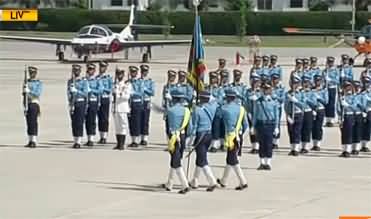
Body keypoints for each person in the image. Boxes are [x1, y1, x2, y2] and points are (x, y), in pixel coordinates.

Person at [217, 89, 248, 191]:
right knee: (230, 159)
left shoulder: (224, 108)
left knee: (233, 160)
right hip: (238, 136)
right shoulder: (241, 109)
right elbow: (246, 125)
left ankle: (243, 181)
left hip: (230, 136)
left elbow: (218, 117)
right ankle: (223, 180)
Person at [163, 90, 192, 194]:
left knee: (176, 161)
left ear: (173, 99)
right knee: (175, 159)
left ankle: (185, 185)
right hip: (183, 136)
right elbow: (190, 127)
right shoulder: (186, 110)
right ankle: (169, 183)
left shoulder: (170, 110)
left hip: (173, 137)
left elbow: (167, 127)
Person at [188, 91, 218, 192]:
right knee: (200, 158)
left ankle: (212, 181)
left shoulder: (196, 110)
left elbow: (194, 125)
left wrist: (190, 139)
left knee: (203, 159)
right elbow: (215, 101)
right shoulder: (212, 107)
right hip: (209, 135)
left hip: (200, 135)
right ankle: (195, 180)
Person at [252, 83, 279, 170]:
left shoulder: (273, 101)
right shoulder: (258, 101)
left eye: (267, 90)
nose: (266, 91)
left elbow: (276, 115)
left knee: (268, 143)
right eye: (264, 90)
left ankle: (268, 163)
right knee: (261, 144)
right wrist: (253, 126)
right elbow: (255, 114)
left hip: (270, 124)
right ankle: (262, 162)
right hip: (260, 124)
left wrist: (276, 127)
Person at [67, 64, 88, 149]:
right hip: (73, 103)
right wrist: (70, 100)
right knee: (74, 122)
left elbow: (85, 93)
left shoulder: (84, 81)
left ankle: (79, 141)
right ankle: (75, 140)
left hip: (80, 102)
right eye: (74, 70)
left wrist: (77, 91)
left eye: (77, 70)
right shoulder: (70, 81)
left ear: (80, 71)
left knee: (79, 122)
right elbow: (68, 92)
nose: (76, 72)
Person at [284, 75, 305, 156]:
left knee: (297, 131)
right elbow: (285, 106)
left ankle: (296, 148)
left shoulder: (301, 93)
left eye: (296, 83)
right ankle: (292, 148)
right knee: (291, 131)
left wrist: (296, 101)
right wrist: (287, 115)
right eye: (293, 83)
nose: (294, 85)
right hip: (290, 114)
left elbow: (303, 105)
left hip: (298, 113)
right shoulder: (287, 94)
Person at [112, 68, 132, 150]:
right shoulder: (115, 84)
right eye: (118, 74)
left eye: (120, 74)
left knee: (123, 126)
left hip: (123, 108)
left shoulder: (127, 85)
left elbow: (127, 97)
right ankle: (118, 143)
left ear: (123, 75)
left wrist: (119, 94)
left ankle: (122, 144)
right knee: (117, 126)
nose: (119, 76)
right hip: (116, 108)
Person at [23, 66, 43, 148]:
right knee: (28, 122)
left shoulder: (38, 83)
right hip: (27, 104)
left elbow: (37, 94)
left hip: (34, 103)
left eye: (33, 73)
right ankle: (30, 140)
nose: (31, 74)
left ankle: (34, 140)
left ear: (35, 73)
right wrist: (24, 105)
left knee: (33, 122)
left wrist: (29, 91)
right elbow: (24, 96)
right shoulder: (26, 82)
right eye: (30, 73)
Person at [338, 81, 358, 158]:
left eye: (348, 87)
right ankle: (344, 150)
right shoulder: (341, 97)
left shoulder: (353, 97)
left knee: (349, 133)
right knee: (343, 134)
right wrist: (339, 117)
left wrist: (347, 105)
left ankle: (348, 150)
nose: (347, 89)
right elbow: (338, 108)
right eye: (346, 87)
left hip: (350, 115)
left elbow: (355, 107)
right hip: (343, 117)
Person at [85, 63, 102, 147]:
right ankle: (88, 138)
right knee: (86, 121)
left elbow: (100, 90)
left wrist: (91, 90)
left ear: (94, 71)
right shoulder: (84, 80)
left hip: (93, 101)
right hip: (85, 102)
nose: (90, 71)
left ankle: (91, 139)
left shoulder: (97, 80)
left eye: (92, 70)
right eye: (89, 69)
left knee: (92, 120)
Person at [96, 61, 113, 144]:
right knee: (99, 118)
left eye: (103, 67)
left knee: (105, 118)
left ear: (106, 68)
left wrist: (104, 89)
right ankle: (101, 136)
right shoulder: (96, 77)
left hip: (105, 98)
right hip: (98, 99)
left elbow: (111, 89)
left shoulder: (108, 78)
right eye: (100, 66)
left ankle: (105, 136)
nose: (101, 68)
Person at [311, 75, 329, 151]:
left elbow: (326, 101)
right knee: (313, 127)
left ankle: (318, 144)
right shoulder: (312, 90)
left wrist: (319, 98)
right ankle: (314, 143)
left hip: (320, 109)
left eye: (319, 81)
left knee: (318, 126)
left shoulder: (324, 90)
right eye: (316, 81)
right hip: (313, 110)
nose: (317, 82)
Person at [300, 75, 317, 154]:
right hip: (300, 112)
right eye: (304, 83)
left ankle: (305, 146)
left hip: (308, 111)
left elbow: (314, 104)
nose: (305, 85)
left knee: (307, 129)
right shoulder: (299, 92)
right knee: (301, 129)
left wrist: (307, 100)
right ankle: (301, 146)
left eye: (307, 83)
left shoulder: (312, 93)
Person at [245, 74, 262, 154]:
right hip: (250, 113)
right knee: (252, 130)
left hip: (258, 114)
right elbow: (245, 102)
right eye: (254, 82)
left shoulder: (261, 91)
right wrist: (248, 112)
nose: (255, 84)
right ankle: (253, 146)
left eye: (256, 82)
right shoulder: (248, 91)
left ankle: (258, 146)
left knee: (258, 130)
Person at [128, 66, 143, 148]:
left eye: (134, 72)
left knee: (136, 122)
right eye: (131, 72)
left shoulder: (139, 82)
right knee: (131, 122)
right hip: (129, 104)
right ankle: (132, 140)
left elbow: (141, 93)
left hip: (137, 103)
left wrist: (133, 93)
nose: (133, 74)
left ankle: (136, 140)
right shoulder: (127, 82)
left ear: (136, 73)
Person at [139, 64, 155, 146]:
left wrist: (145, 89)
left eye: (145, 71)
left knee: (145, 120)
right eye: (142, 71)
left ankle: (145, 138)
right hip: (139, 102)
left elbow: (152, 92)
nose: (144, 73)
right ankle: (140, 137)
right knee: (139, 120)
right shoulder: (138, 81)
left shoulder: (150, 81)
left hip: (146, 101)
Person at [323, 56, 340, 127]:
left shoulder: (336, 70)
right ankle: (327, 119)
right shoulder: (325, 70)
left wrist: (330, 80)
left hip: (332, 88)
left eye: (331, 62)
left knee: (332, 103)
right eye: (329, 62)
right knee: (327, 103)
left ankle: (331, 119)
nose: (330, 63)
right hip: (326, 88)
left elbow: (337, 80)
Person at [271, 73, 285, 149]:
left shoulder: (281, 88)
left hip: (277, 107)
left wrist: (276, 97)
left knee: (277, 123)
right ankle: (270, 140)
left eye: (276, 79)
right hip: (269, 107)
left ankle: (275, 141)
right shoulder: (268, 87)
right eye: (273, 79)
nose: (274, 81)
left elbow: (282, 99)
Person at [162, 70, 178, 137]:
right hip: (167, 109)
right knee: (168, 127)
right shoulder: (166, 86)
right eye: (169, 76)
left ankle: (175, 142)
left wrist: (171, 98)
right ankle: (169, 143)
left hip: (174, 109)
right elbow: (163, 98)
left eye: (172, 77)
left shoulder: (176, 87)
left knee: (174, 127)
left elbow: (178, 99)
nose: (170, 78)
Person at [351, 81, 364, 155]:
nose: (356, 89)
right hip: (351, 115)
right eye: (355, 87)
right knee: (351, 131)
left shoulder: (362, 95)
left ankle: (356, 148)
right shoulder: (349, 96)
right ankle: (351, 147)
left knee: (358, 131)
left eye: (358, 87)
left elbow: (364, 105)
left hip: (359, 114)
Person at [360, 75, 371, 152]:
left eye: (367, 82)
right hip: (362, 112)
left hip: (370, 110)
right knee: (364, 128)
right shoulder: (359, 92)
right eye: (364, 83)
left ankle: (365, 144)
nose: (366, 84)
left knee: (369, 128)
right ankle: (363, 145)